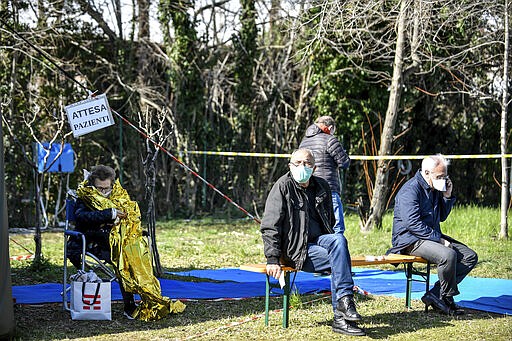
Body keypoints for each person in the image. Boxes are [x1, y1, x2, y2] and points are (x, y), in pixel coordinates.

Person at [260, 149, 365, 336]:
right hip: (295, 249)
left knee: (339, 240)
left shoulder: (322, 186)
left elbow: (330, 223)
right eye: (297, 163)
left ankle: (344, 303)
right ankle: (342, 315)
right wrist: (272, 258)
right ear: (290, 166)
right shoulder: (282, 187)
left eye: (307, 163)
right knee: (339, 259)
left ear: (314, 167)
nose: (302, 167)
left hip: (319, 241)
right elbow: (270, 226)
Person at [67, 165, 185, 320]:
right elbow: (82, 217)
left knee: (133, 257)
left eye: (106, 188)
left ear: (112, 184)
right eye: (99, 189)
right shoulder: (85, 196)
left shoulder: (118, 195)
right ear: (92, 185)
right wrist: (109, 214)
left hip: (117, 241)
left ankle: (145, 299)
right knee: (122, 260)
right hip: (91, 241)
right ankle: (129, 305)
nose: (103, 192)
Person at [388, 154, 478, 315]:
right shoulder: (410, 190)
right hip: (409, 240)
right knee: (448, 255)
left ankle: (436, 295)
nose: (443, 179)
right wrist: (440, 240)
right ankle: (445, 298)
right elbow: (412, 224)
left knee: (469, 256)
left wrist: (447, 196)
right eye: (439, 176)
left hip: (428, 237)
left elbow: (441, 217)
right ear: (427, 172)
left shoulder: (435, 188)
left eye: (445, 176)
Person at [299, 116, 350, 234]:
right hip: (329, 187)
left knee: (317, 228)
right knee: (337, 227)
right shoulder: (330, 139)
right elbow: (344, 163)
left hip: (309, 188)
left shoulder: (304, 141)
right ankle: (338, 251)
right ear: (330, 128)